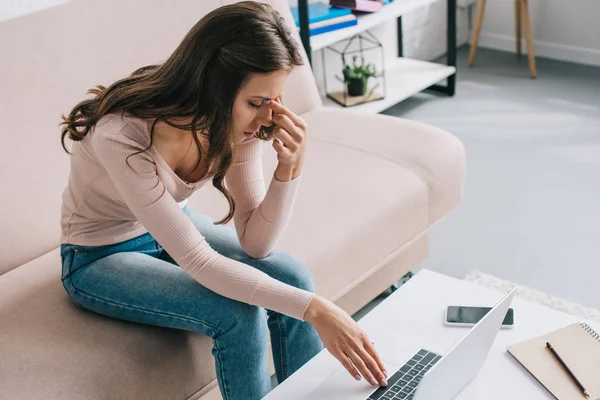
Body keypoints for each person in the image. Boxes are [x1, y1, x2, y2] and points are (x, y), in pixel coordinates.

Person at [58, 2, 387, 399]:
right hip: (97, 255)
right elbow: (199, 262)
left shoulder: (237, 126)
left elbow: (256, 243)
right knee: (238, 314)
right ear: (214, 87)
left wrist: (290, 169)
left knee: (294, 275)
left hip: (166, 229)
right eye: (256, 102)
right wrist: (316, 309)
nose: (270, 116)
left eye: (275, 99)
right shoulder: (122, 136)